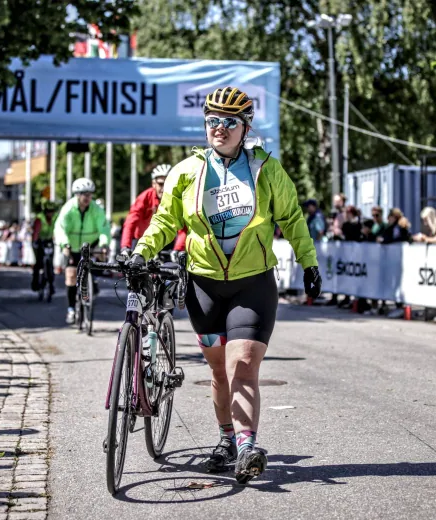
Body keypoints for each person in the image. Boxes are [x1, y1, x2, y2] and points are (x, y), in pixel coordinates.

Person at [126, 86, 320, 483]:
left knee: (242, 366)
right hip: (204, 285)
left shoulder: (266, 169)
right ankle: (226, 438)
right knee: (218, 372)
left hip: (253, 284)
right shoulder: (186, 172)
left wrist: (309, 262)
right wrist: (142, 252)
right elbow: (165, 222)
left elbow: (293, 217)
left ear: (245, 128)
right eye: (212, 120)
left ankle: (248, 446)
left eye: (229, 122)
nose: (219, 128)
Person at [55, 177, 110, 324]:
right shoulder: (68, 209)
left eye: (90, 194)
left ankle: (94, 282)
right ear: (77, 195)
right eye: (84, 194)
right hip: (71, 245)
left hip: (91, 244)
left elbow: (104, 228)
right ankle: (71, 309)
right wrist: (64, 245)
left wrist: (104, 244)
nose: (87, 197)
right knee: (71, 275)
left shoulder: (96, 209)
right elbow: (60, 229)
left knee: (99, 261)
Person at [120, 164, 186, 257]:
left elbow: (183, 228)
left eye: (168, 183)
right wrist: (125, 247)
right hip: (142, 240)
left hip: (166, 242)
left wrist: (177, 249)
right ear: (153, 183)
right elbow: (130, 222)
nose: (164, 188)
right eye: (160, 184)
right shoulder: (144, 197)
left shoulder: (177, 199)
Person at [31, 200, 59, 291]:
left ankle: (51, 283)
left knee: (50, 261)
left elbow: (59, 228)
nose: (50, 213)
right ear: (45, 211)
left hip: (49, 240)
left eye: (52, 211)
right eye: (48, 211)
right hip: (39, 240)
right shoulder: (40, 218)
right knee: (38, 262)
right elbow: (36, 231)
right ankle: (35, 283)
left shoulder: (55, 217)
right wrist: (35, 241)